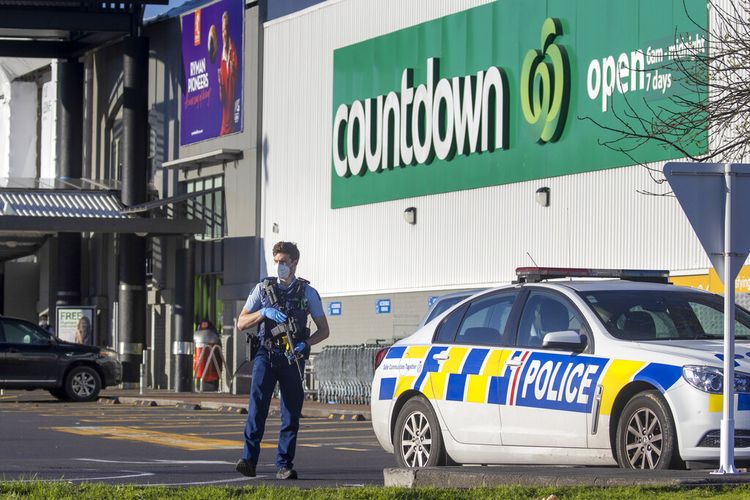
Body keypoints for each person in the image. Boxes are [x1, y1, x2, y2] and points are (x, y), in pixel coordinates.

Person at [235, 241, 329, 480]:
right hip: (266, 355)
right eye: (276, 261)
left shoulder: (308, 293)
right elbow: (241, 322)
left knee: (290, 413)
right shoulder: (262, 289)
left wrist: (305, 344)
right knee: (257, 408)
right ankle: (248, 460)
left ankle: (284, 464)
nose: (279, 266)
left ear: (295, 263)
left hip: (292, 358)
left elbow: (324, 330)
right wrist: (263, 313)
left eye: (284, 262)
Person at [217, 10, 239, 135]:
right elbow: (222, 100)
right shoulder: (223, 63)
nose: (223, 33)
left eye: (225, 29)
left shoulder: (232, 54)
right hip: (224, 126)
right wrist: (220, 84)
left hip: (232, 125)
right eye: (222, 30)